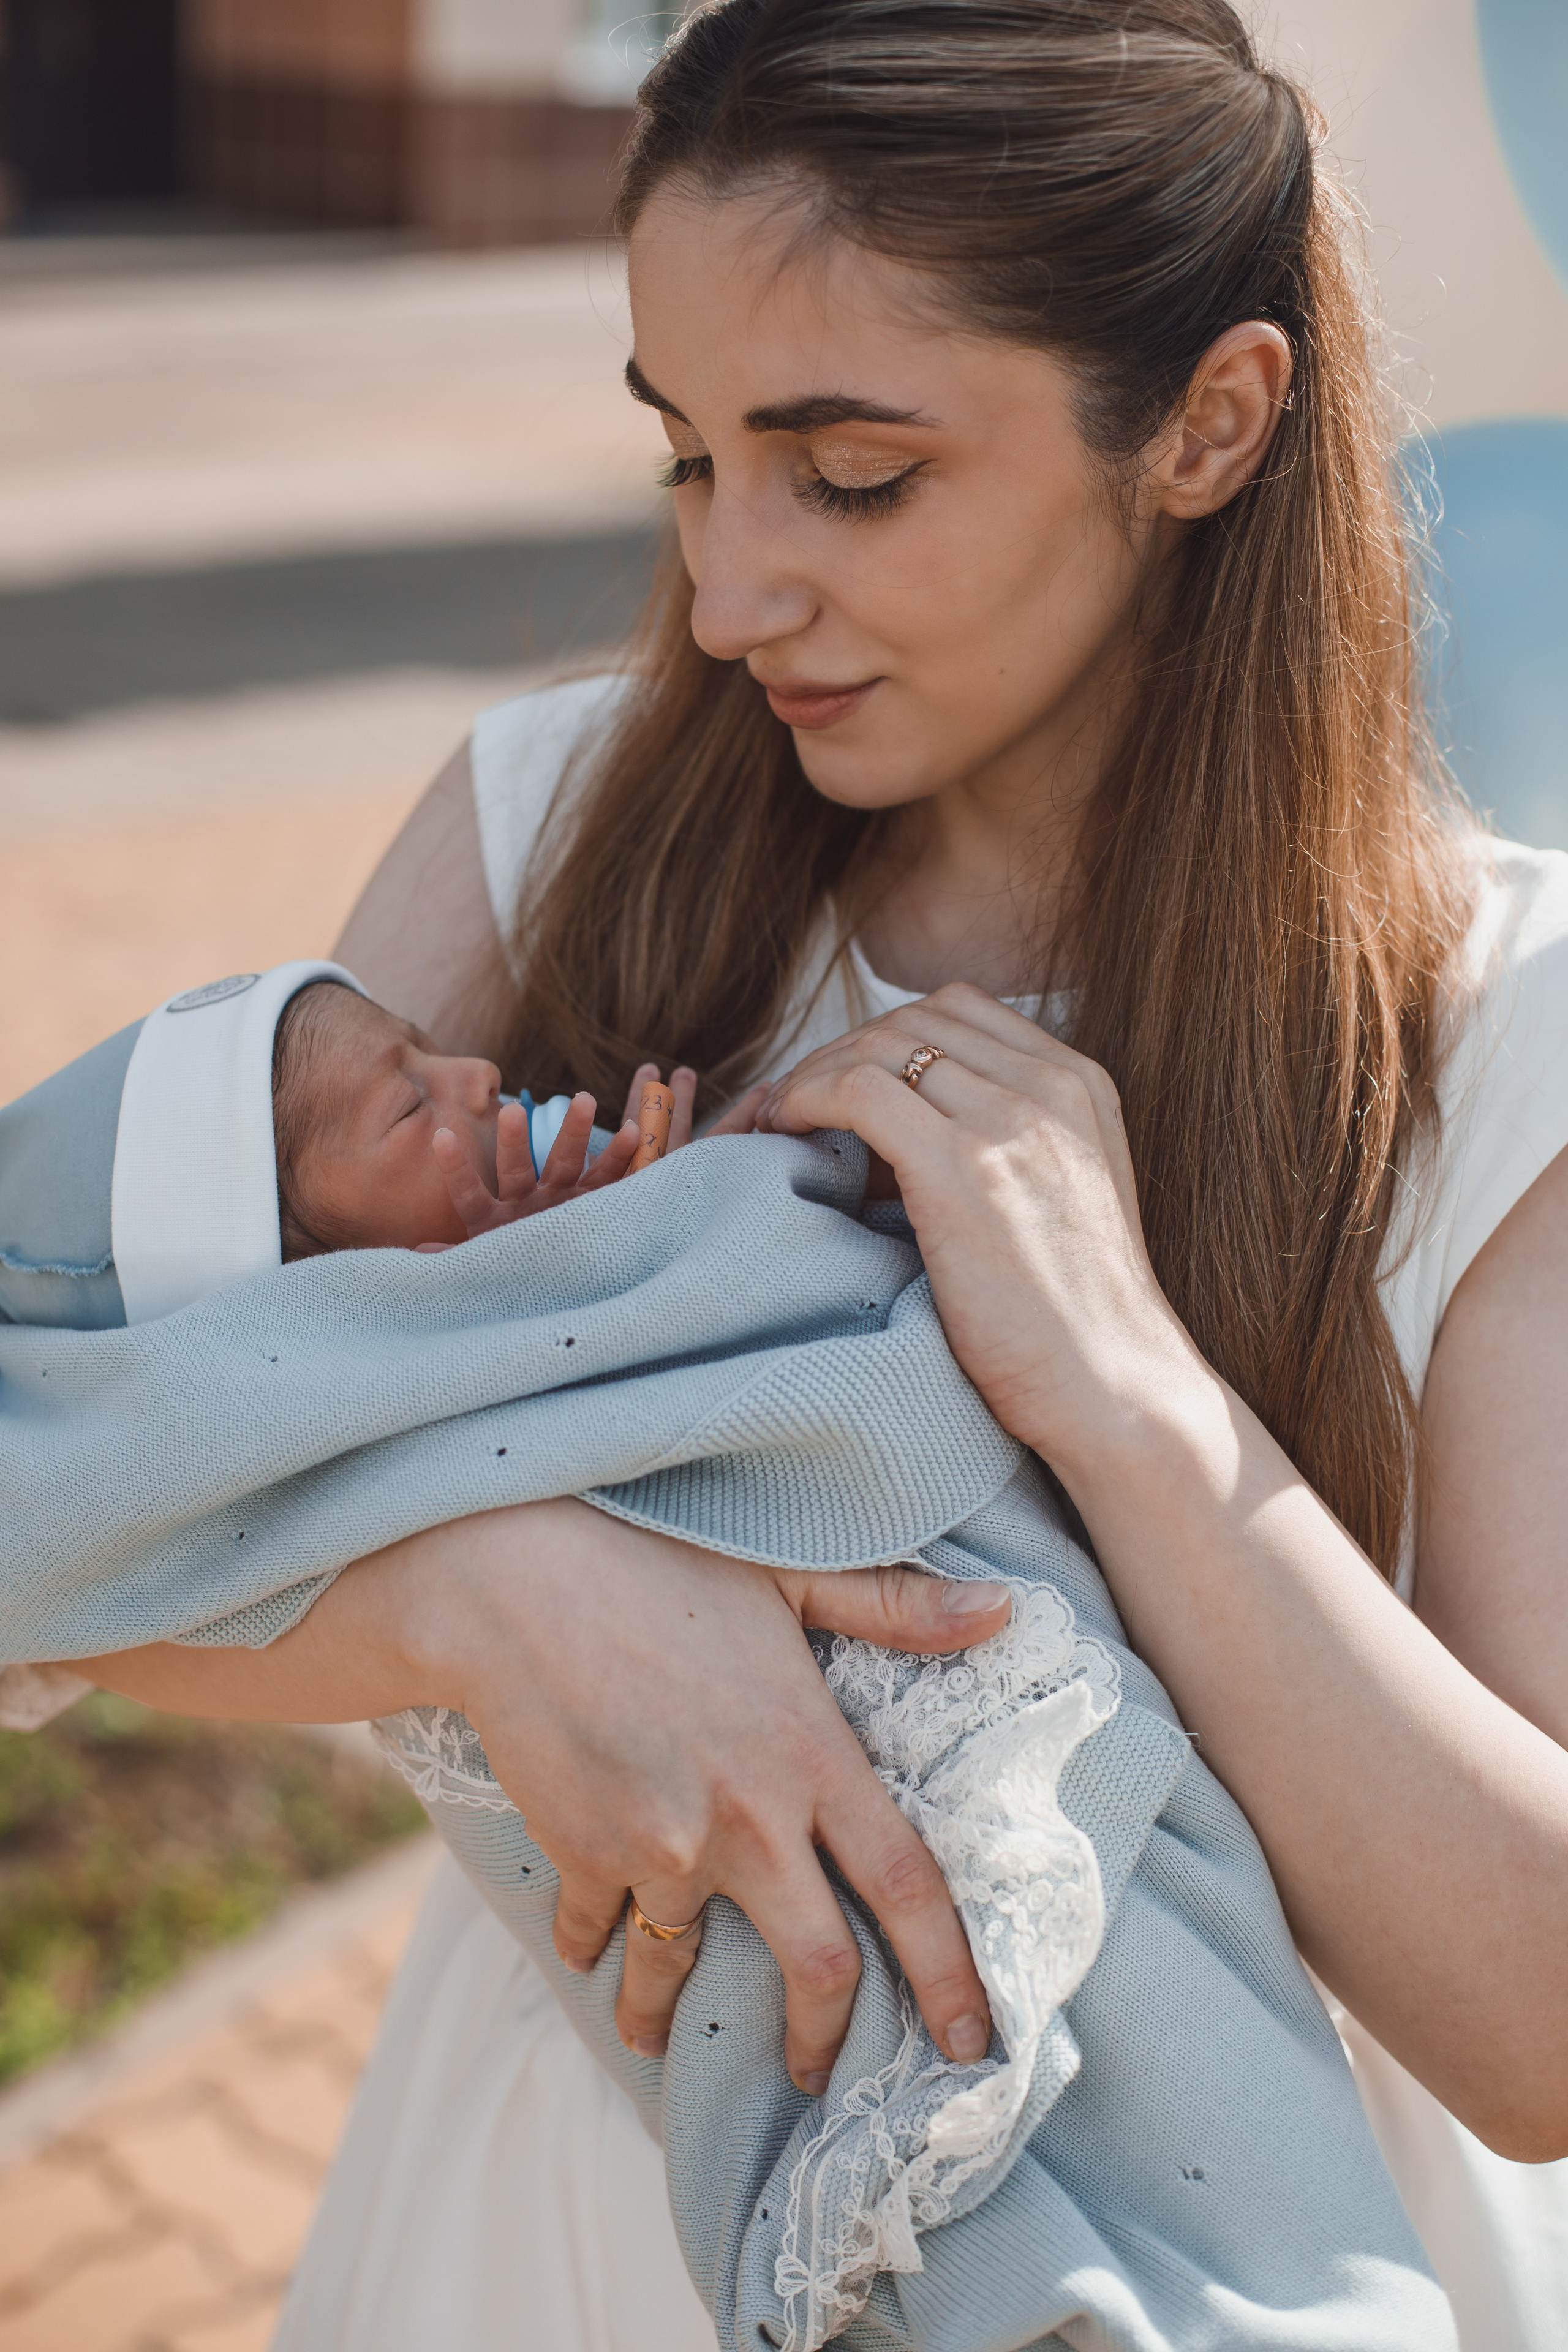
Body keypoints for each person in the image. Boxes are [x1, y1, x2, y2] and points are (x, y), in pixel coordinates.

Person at [47, 0, 1568, 2343]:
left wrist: (1140, 1409)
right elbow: (76, 1482)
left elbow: (1535, 2028)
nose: (729, 593)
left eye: (850, 477)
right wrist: (493, 1592)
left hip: (1195, 2257)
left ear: (1210, 423)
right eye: (688, 456)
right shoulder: (546, 835)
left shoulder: (1508, 1020)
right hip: (541, 2245)